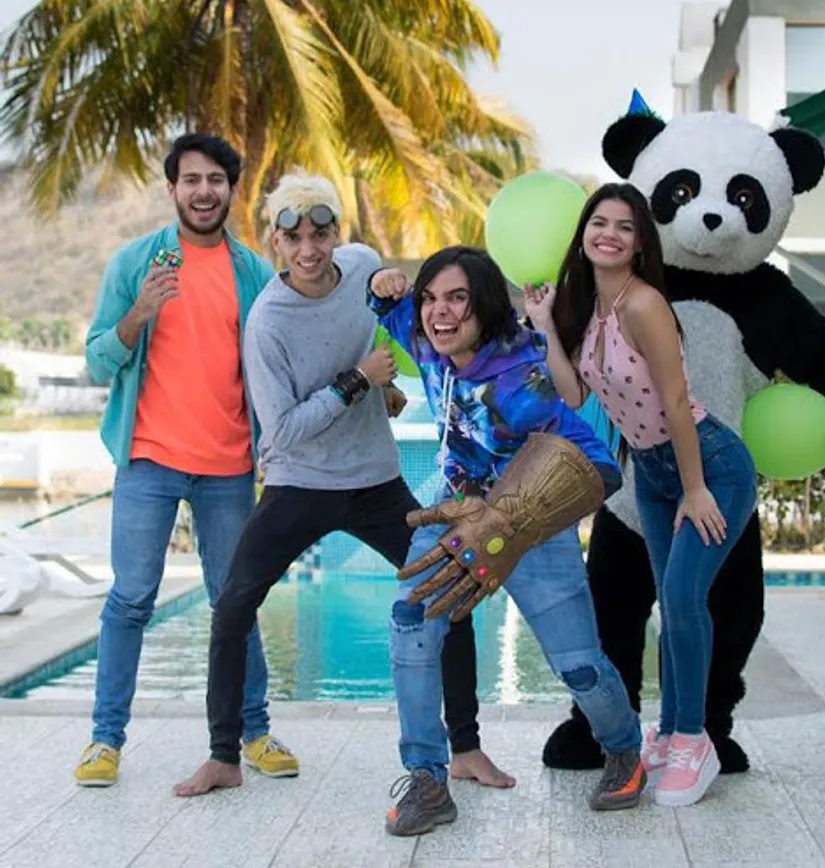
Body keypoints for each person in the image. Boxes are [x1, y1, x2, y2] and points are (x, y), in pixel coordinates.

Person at [173, 175, 511, 797]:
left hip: (375, 481)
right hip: (299, 484)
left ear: (337, 234)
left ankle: (464, 747)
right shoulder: (267, 324)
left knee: (451, 590)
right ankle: (223, 756)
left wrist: (388, 346)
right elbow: (282, 432)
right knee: (233, 606)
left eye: (320, 233)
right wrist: (359, 381)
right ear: (275, 242)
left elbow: (388, 307)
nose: (309, 249)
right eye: (294, 237)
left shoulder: (360, 266)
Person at [367, 246, 646, 837]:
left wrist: (504, 520)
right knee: (411, 625)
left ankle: (624, 748)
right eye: (431, 299)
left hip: (531, 525)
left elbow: (599, 469)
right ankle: (426, 779)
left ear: (488, 306)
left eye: (457, 299)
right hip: (452, 511)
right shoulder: (430, 339)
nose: (439, 312)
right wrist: (382, 281)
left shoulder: (523, 385)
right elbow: (390, 305)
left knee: (578, 666)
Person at [524, 183, 758, 808]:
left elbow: (677, 400)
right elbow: (575, 395)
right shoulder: (589, 307)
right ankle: (674, 731)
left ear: (639, 244)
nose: (609, 234)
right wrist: (546, 326)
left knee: (683, 598)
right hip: (650, 473)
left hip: (711, 464)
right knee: (669, 603)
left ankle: (694, 739)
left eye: (625, 227)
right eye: (599, 222)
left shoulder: (645, 303)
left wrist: (696, 488)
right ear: (583, 234)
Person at [76, 133, 292, 787]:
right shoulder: (135, 263)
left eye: (215, 180)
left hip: (228, 466)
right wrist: (139, 313)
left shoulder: (252, 273)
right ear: (172, 189)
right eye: (191, 180)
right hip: (148, 459)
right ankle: (104, 741)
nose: (204, 191)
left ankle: (254, 732)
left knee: (235, 601)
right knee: (130, 599)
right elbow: (97, 363)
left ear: (230, 190)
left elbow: (277, 361)